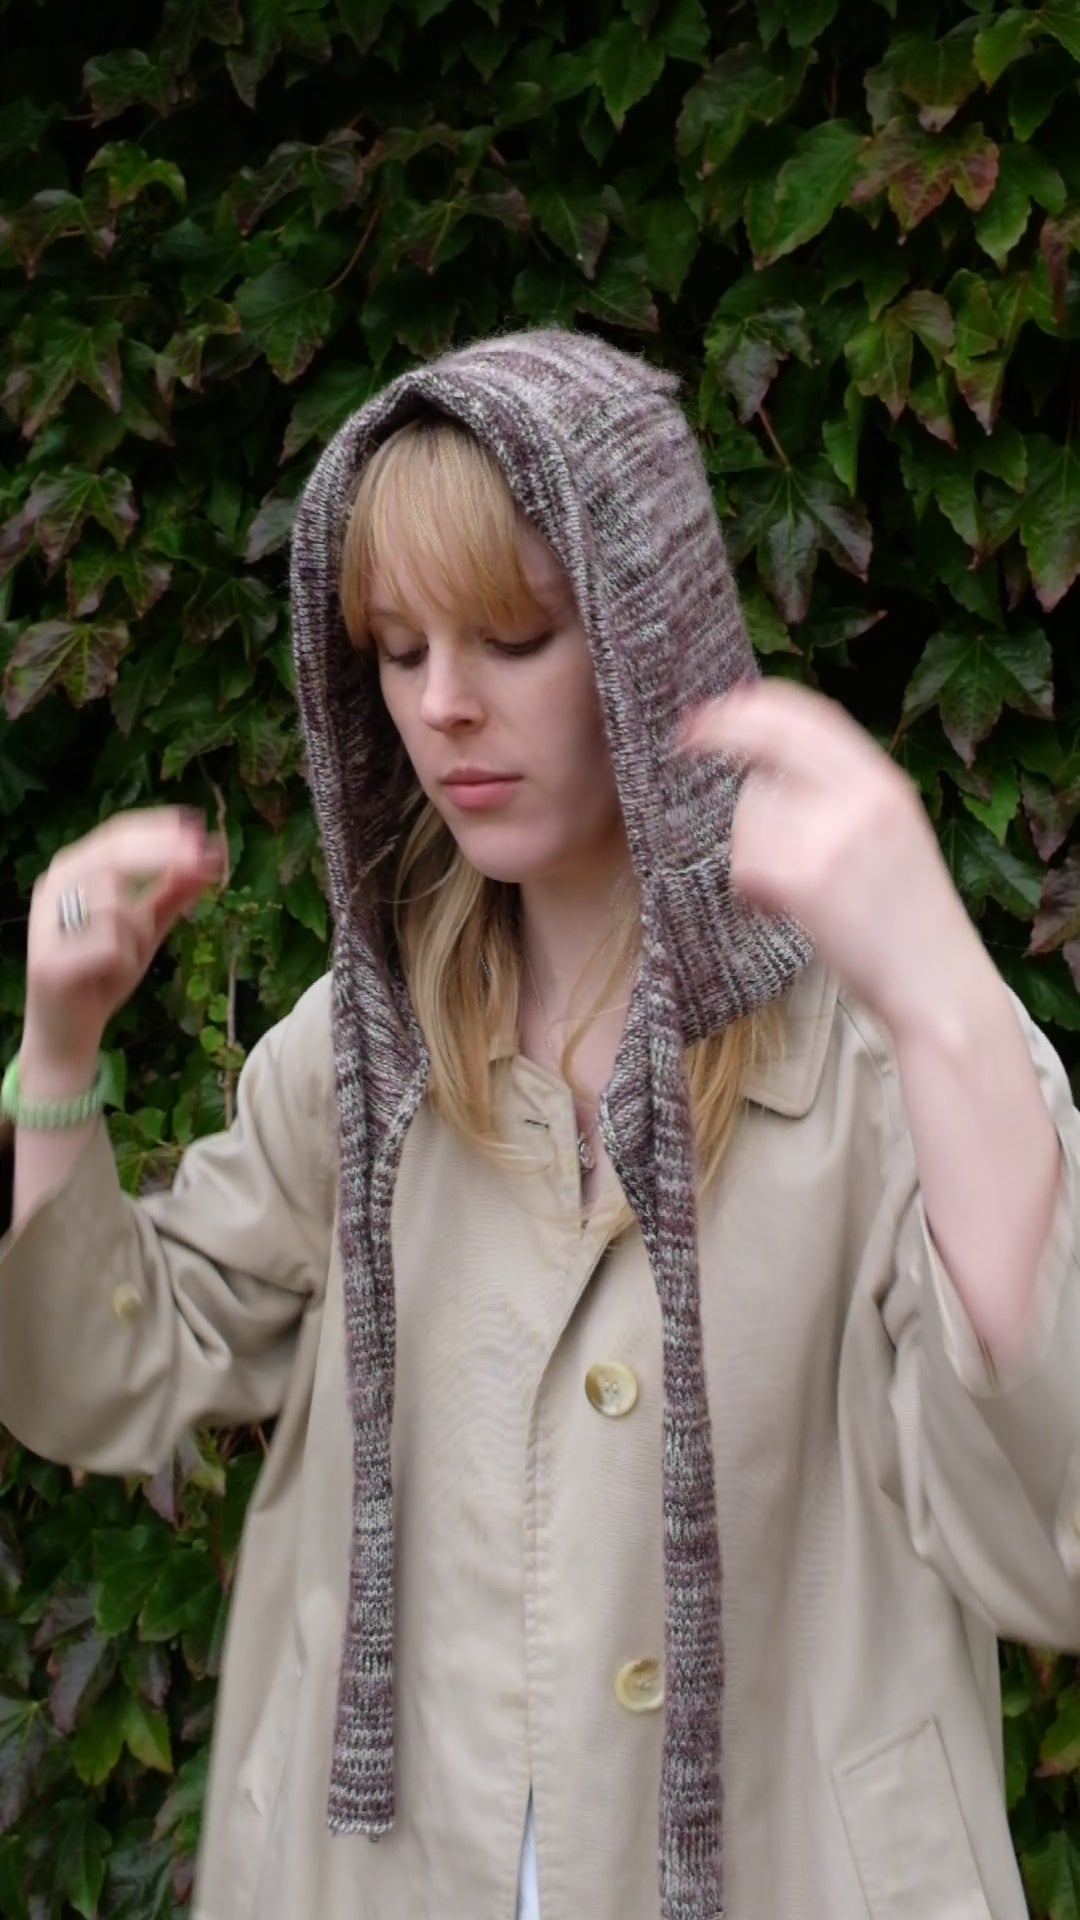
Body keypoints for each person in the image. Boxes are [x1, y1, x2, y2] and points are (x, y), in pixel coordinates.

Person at [0, 328, 1077, 1920]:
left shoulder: (874, 1065)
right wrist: (57, 1048)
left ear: (646, 632)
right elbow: (102, 1375)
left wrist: (939, 1002)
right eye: (396, 646)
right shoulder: (357, 1061)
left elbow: (1047, 1542)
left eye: (511, 635)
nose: (443, 707)